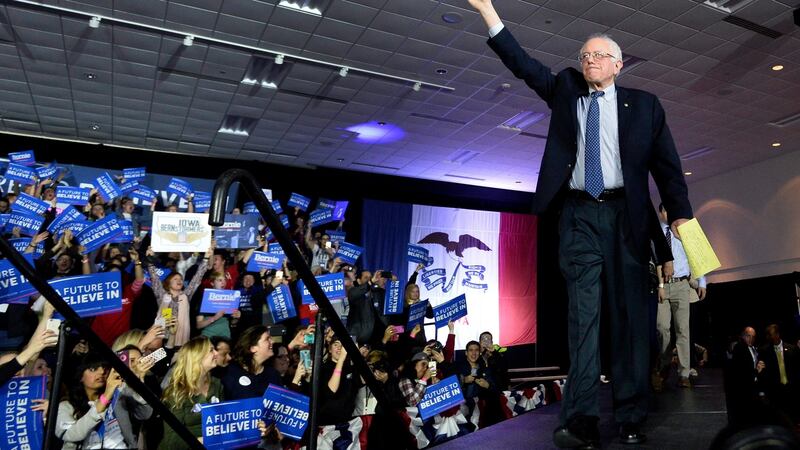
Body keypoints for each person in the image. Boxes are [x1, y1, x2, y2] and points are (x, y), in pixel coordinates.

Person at [467, 1, 693, 447]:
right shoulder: (567, 89)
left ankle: (630, 416)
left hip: (625, 218)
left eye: (597, 55)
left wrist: (681, 214)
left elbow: (667, 167)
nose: (587, 60)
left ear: (617, 64)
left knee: (629, 320)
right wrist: (488, 11)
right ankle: (581, 418)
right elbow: (523, 65)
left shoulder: (645, 106)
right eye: (583, 55)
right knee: (582, 319)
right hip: (578, 216)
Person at [655, 203, 706, 389]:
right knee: (662, 329)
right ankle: (664, 366)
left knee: (683, 330)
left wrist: (702, 282)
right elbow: (656, 259)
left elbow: (697, 255)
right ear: (661, 213)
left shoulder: (685, 230)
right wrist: (660, 284)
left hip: (682, 284)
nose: (669, 213)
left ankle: (684, 373)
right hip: (663, 285)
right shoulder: (657, 232)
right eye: (666, 210)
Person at [56, 353, 153, 449]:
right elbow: (69, 434)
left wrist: (138, 384)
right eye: (93, 369)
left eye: (104, 368)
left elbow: (145, 414)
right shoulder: (66, 406)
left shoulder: (118, 394)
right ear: (80, 376)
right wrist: (105, 397)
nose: (102, 372)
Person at [160, 336, 221, 449]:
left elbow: (225, 422)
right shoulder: (176, 393)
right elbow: (171, 440)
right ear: (197, 357)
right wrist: (204, 440)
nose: (217, 353)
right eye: (211, 350)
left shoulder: (217, 384)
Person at [725, 326, 765, 427]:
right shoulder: (740, 348)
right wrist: (757, 370)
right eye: (748, 336)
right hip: (744, 388)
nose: (751, 338)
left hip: (753, 385)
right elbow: (741, 370)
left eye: (753, 336)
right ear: (743, 336)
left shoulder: (752, 348)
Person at [758, 324, 798, 421]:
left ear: (778, 334)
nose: (771, 338)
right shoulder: (764, 351)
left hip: (791, 390)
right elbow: (762, 373)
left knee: (793, 419)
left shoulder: (792, 349)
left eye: (772, 335)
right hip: (775, 392)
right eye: (769, 335)